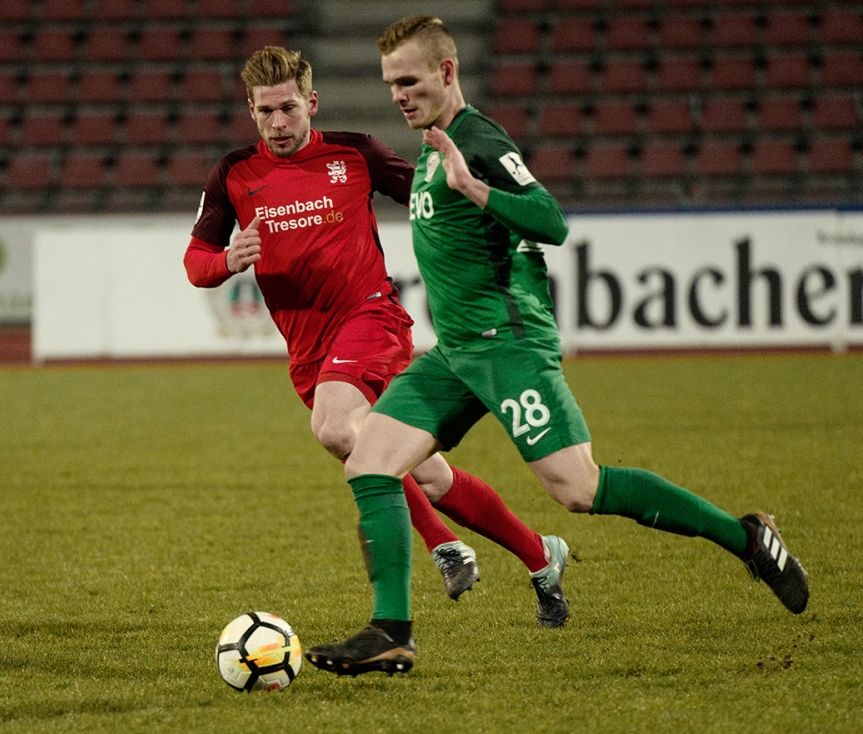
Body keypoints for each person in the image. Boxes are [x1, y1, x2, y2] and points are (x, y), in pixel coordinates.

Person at [305, 15, 809, 678]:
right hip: (457, 353)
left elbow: (553, 222)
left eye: (409, 80)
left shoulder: (478, 140)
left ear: (447, 72)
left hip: (509, 345)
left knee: (578, 488)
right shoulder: (432, 146)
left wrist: (476, 188)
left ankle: (747, 538)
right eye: (390, 84)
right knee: (369, 461)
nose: (399, 94)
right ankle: (391, 632)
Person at [185, 46, 568, 610]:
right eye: (265, 111)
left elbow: (430, 199)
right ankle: (541, 554)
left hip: (372, 319)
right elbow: (196, 262)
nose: (278, 123)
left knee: (335, 428)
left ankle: (443, 546)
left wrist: (491, 219)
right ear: (251, 111)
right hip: (309, 350)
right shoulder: (234, 173)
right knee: (429, 478)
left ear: (312, 103)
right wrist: (227, 261)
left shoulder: (356, 153)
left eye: (288, 108)